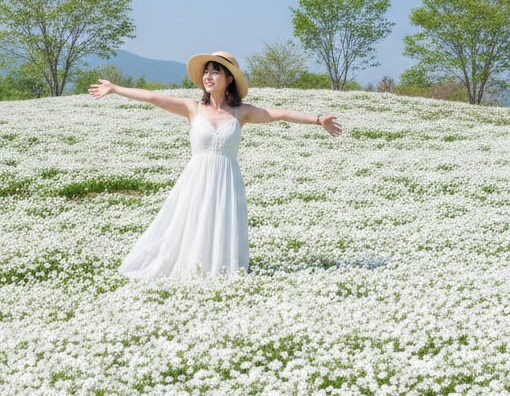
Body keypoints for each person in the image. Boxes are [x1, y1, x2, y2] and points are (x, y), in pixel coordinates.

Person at [88, 50, 342, 278]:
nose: (208, 77)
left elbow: (281, 114)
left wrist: (318, 120)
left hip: (227, 178)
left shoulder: (241, 112)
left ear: (229, 78)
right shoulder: (193, 108)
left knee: (221, 221)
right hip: (197, 177)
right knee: (192, 220)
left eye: (215, 72)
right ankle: (191, 266)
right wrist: (115, 88)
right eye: (206, 72)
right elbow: (153, 97)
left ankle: (218, 268)